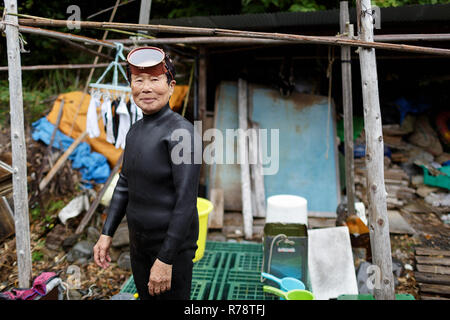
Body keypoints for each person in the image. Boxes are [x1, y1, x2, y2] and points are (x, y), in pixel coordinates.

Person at [93, 46, 202, 300]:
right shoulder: (135, 131)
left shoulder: (182, 134)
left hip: (171, 249)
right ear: (131, 85)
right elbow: (124, 184)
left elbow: (186, 202)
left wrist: (165, 259)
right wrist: (107, 232)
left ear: (171, 86)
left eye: (155, 80)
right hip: (139, 244)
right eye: (138, 80)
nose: (146, 88)